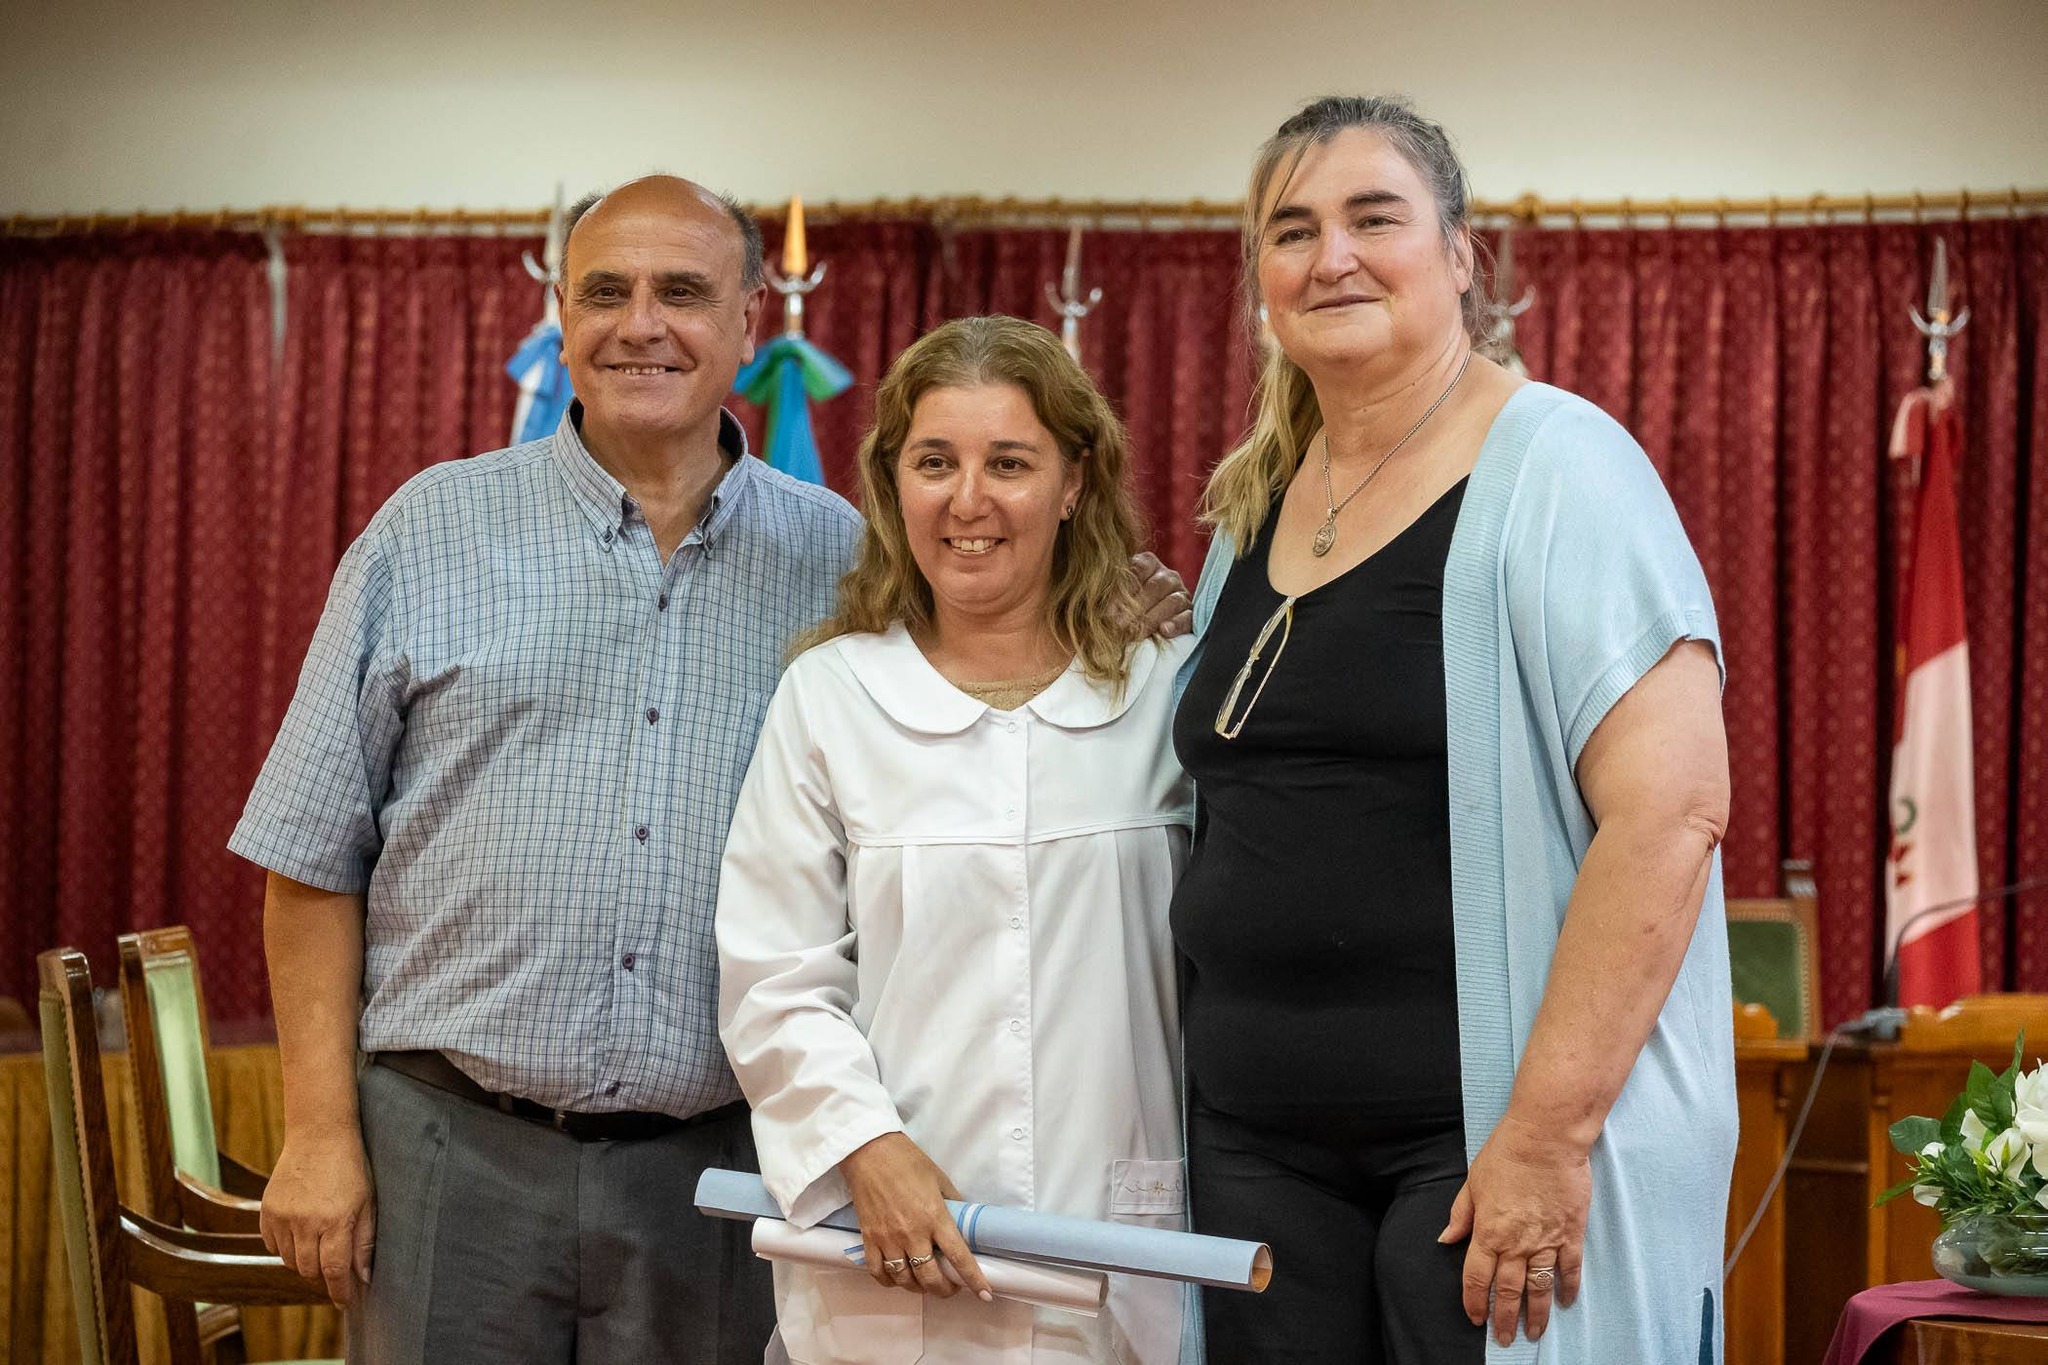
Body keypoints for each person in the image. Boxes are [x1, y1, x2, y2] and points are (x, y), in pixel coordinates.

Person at [230, 177, 1190, 1365]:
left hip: (713, 1177)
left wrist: (1126, 604)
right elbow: (310, 860)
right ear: (560, 319)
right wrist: (318, 1131)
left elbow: (1002, 640)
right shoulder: (427, 532)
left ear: (748, 324)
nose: (642, 325)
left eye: (682, 293)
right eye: (606, 293)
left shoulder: (839, 558)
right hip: (452, 1150)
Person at [1170, 96, 1735, 1364]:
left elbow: (1670, 812)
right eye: (1291, 230)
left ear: (1461, 254)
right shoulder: (1257, 499)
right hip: (1255, 1145)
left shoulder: (1563, 468)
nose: (1331, 257)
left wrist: (1544, 1137)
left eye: (1373, 219)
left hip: (1476, 1144)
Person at [717, 315, 1194, 1365]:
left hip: (1114, 1249)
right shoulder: (829, 697)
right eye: (934, 462)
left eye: (1009, 463)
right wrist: (863, 1145)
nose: (968, 500)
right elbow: (773, 977)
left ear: (1073, 483)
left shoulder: (1167, 691)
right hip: (882, 1259)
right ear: (893, 483)